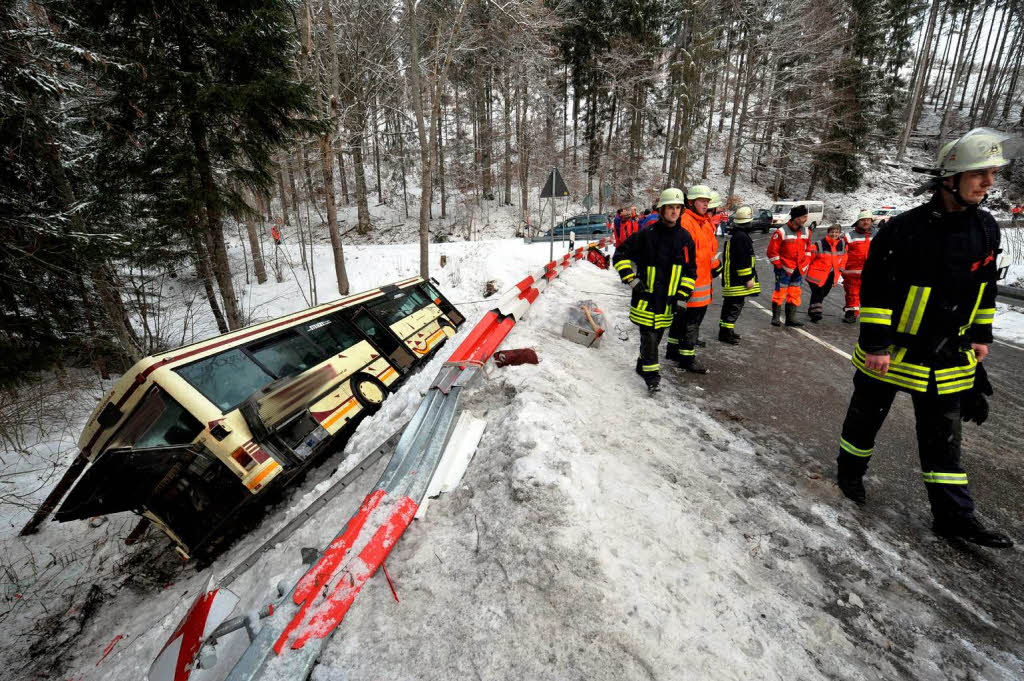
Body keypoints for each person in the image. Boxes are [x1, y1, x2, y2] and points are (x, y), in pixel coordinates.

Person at [836, 127, 1021, 548]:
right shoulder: (903, 231)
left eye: (992, 174)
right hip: (892, 351)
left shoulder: (987, 229)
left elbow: (984, 288)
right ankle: (849, 473)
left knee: (944, 443)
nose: (990, 182)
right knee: (864, 421)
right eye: (981, 174)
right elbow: (877, 291)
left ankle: (954, 516)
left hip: (947, 354)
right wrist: (878, 345)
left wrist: (980, 334)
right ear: (950, 179)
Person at [612, 188, 697, 394]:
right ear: (661, 210)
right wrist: (631, 279)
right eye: (670, 207)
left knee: (656, 339)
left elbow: (690, 272)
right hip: (646, 299)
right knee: (649, 338)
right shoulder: (646, 235)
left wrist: (682, 297)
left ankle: (643, 365)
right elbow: (619, 255)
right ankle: (652, 377)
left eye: (678, 208)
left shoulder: (685, 239)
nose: (674, 212)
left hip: (668, 302)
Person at [666, 184, 720, 373]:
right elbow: (685, 255)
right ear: (691, 202)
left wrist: (715, 266)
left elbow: (709, 251)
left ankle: (672, 350)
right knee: (692, 322)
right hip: (692, 282)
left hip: (703, 280)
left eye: (707, 201)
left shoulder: (705, 223)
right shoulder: (687, 222)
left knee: (682, 320)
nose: (705, 205)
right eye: (701, 201)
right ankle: (687, 358)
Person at [718, 206, 761, 344]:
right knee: (734, 306)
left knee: (730, 306)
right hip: (737, 281)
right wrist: (748, 278)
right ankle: (726, 333)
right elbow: (743, 261)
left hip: (732, 279)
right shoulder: (742, 237)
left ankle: (726, 330)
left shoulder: (737, 236)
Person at [766, 205, 812, 327]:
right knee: (780, 293)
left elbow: (808, 249)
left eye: (806, 216)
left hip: (798, 269)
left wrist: (805, 263)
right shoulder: (781, 232)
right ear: (796, 218)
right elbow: (771, 252)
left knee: (794, 293)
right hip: (784, 270)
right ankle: (776, 318)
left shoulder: (806, 231)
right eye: (803, 217)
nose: (805, 219)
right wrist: (779, 266)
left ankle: (790, 318)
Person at [805, 223, 847, 323]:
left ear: (839, 233)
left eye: (836, 232)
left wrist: (841, 267)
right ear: (828, 233)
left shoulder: (842, 244)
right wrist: (803, 268)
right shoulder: (820, 244)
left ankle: (812, 309)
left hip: (831, 274)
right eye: (832, 232)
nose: (834, 234)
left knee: (823, 293)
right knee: (818, 292)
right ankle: (816, 314)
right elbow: (809, 256)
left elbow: (844, 257)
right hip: (816, 274)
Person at [840, 210, 873, 323]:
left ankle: (868, 316)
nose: (866, 222)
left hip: (871, 270)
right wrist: (841, 268)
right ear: (858, 222)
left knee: (870, 294)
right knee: (852, 293)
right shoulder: (848, 236)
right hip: (852, 271)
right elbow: (841, 253)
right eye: (863, 220)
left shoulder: (877, 234)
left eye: (868, 220)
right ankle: (851, 314)